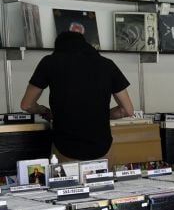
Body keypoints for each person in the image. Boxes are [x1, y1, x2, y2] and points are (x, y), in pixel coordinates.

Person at [20, 32, 135, 162]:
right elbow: (127, 110)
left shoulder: (50, 62)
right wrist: (100, 115)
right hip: (102, 148)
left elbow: (27, 105)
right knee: (104, 182)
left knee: (66, 182)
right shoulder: (107, 64)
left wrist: (45, 111)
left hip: (65, 147)